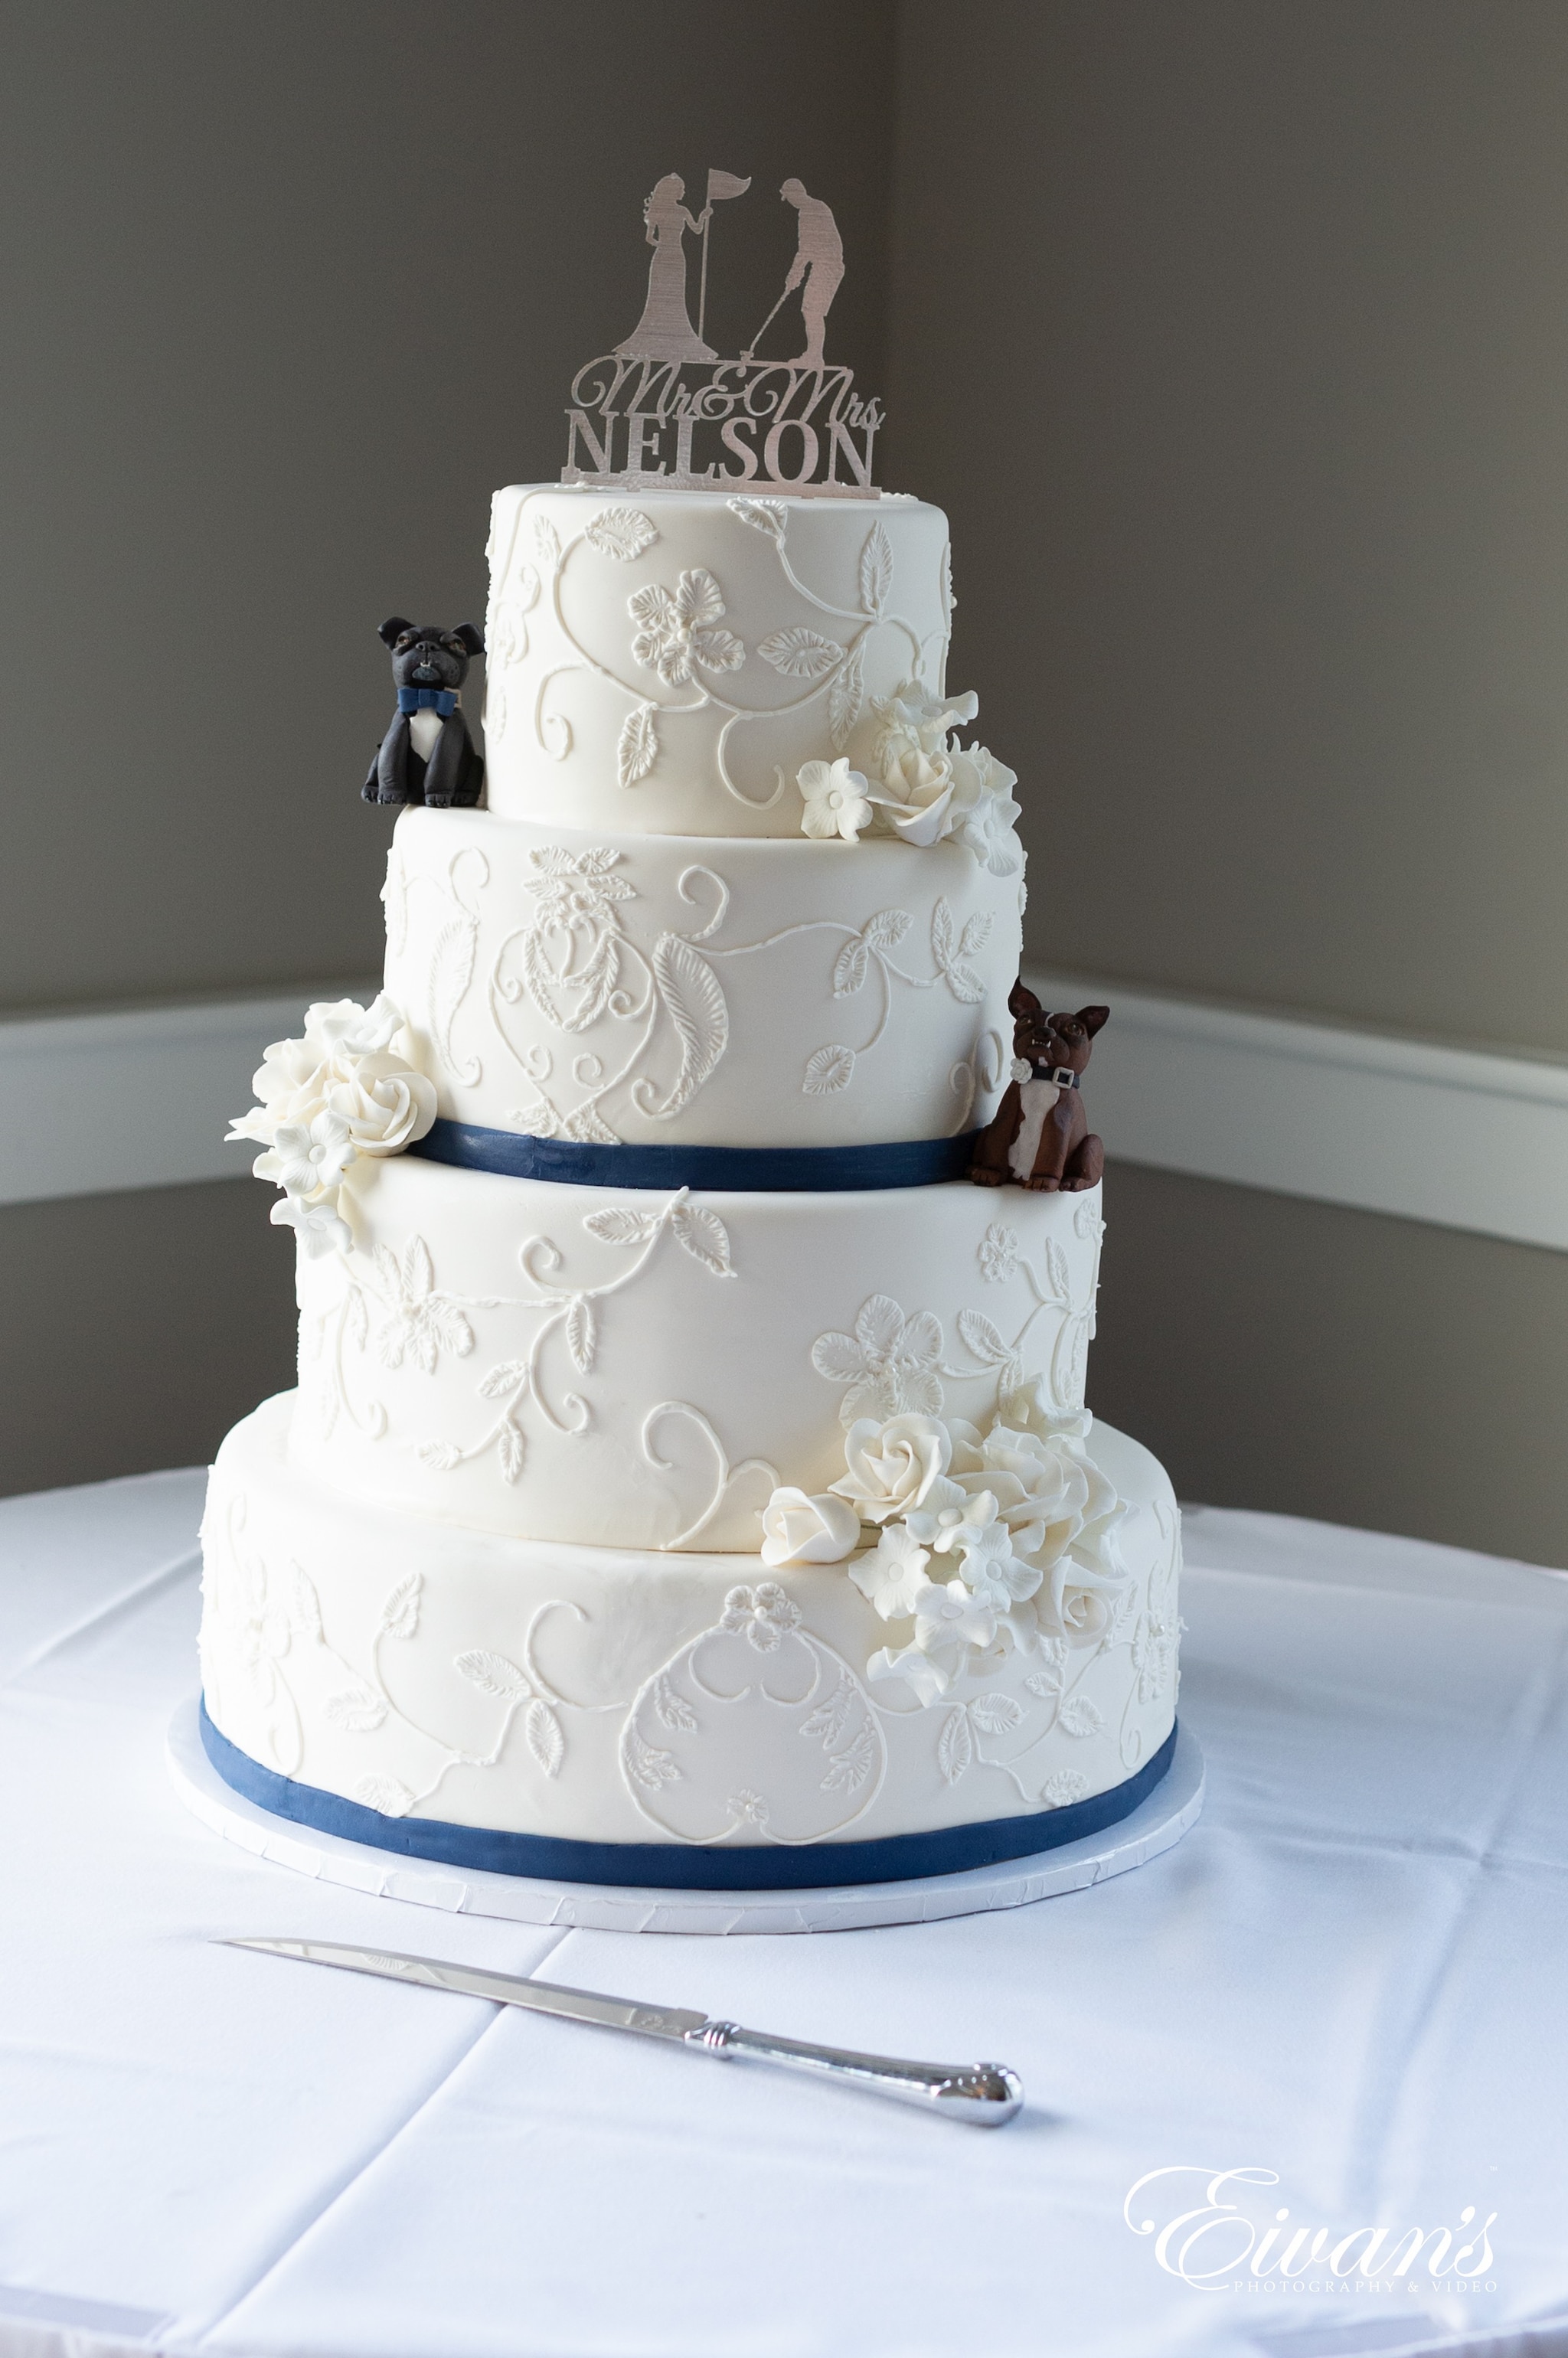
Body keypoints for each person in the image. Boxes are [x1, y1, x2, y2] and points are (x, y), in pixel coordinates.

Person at [615, 175, 715, 361]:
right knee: (659, 296)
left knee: (674, 295)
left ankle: (674, 333)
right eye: (681, 189)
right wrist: (665, 245)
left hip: (673, 257)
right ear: (672, 191)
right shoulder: (669, 211)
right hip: (667, 257)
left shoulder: (677, 211)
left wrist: (703, 216)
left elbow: (696, 229)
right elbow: (651, 237)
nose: (683, 192)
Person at [779, 179, 844, 369]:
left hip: (827, 266)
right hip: (825, 265)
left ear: (794, 195)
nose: (789, 202)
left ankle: (815, 356)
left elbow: (805, 249)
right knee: (811, 311)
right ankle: (814, 354)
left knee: (812, 311)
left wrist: (794, 274)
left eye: (788, 198)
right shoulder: (814, 207)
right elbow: (808, 249)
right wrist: (796, 274)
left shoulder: (810, 210)